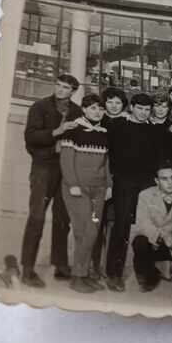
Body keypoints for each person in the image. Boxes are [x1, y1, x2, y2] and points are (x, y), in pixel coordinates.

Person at [92, 92, 163, 291]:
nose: (143, 112)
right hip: (123, 181)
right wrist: (109, 182)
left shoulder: (155, 130)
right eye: (140, 108)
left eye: (147, 109)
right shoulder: (117, 125)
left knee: (147, 226)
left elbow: (159, 157)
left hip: (147, 182)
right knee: (121, 226)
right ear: (132, 107)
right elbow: (106, 154)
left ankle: (145, 272)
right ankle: (114, 274)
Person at [19, 74, 82, 287]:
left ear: (73, 91)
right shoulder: (39, 107)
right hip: (44, 168)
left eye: (66, 88)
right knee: (37, 217)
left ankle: (60, 265)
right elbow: (30, 137)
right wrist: (57, 132)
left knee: (62, 219)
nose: (60, 90)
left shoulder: (77, 111)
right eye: (58, 85)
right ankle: (27, 269)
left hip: (65, 169)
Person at [58, 93, 112, 293]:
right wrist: (72, 184)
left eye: (101, 108)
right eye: (93, 108)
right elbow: (66, 160)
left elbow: (106, 163)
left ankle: (83, 274)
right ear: (84, 109)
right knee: (86, 231)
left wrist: (108, 185)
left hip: (99, 191)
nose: (97, 112)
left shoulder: (104, 132)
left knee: (93, 231)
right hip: (78, 189)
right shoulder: (73, 130)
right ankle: (77, 277)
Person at [131, 162, 172, 292]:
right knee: (139, 241)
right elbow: (143, 222)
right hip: (154, 241)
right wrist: (161, 236)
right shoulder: (145, 195)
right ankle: (147, 277)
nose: (170, 183)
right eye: (164, 179)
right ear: (156, 181)